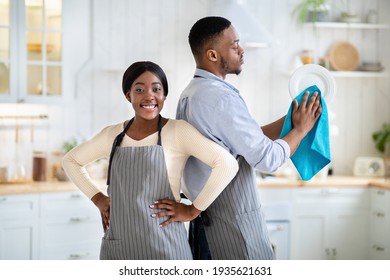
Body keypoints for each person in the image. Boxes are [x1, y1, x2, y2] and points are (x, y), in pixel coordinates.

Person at [174, 16, 322, 260]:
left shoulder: (192, 93)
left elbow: (245, 140)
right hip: (228, 224)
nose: (241, 50)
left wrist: (293, 119)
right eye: (234, 46)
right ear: (212, 55)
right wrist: (300, 131)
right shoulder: (221, 99)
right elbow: (268, 159)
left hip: (207, 221)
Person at [62, 61, 238, 260]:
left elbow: (227, 164)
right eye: (139, 89)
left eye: (156, 89)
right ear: (128, 95)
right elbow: (71, 160)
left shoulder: (177, 131)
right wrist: (98, 199)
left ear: (164, 95)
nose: (149, 96)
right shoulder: (113, 135)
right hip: (119, 251)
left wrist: (192, 210)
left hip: (166, 249)